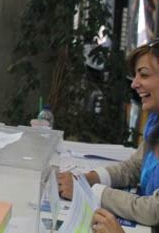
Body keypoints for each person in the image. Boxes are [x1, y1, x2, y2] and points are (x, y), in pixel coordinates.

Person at [58, 41, 159, 232]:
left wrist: (88, 192)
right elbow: (135, 167)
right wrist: (89, 178)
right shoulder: (155, 120)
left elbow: (154, 209)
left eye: (144, 74)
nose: (134, 83)